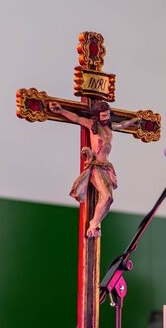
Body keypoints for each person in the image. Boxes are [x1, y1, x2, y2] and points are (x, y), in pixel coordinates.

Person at [48, 100, 140, 237]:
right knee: (106, 196)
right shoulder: (92, 125)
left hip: (106, 167)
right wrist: (60, 111)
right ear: (97, 115)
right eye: (103, 115)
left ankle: (96, 223)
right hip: (96, 166)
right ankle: (93, 224)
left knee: (110, 200)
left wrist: (135, 120)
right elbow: (76, 118)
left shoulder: (110, 126)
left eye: (107, 114)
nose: (106, 117)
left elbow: (123, 124)